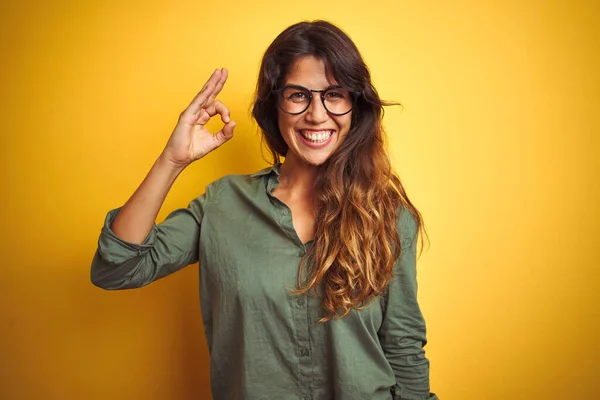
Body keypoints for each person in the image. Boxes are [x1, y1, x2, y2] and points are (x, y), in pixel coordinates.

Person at [91, 20, 438, 400]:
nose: (318, 114)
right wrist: (171, 161)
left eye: (334, 94)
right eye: (298, 95)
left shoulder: (386, 215)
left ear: (355, 104)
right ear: (274, 105)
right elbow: (117, 267)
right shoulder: (222, 205)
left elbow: (403, 347)